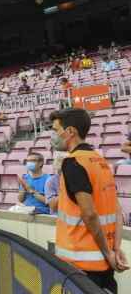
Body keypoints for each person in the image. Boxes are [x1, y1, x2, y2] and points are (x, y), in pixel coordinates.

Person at [50, 108, 129, 292]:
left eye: (55, 130)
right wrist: (115, 249)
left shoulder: (73, 162)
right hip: (104, 264)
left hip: (80, 268)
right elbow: (116, 209)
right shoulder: (100, 161)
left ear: (70, 132)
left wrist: (108, 252)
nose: (53, 135)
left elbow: (90, 214)